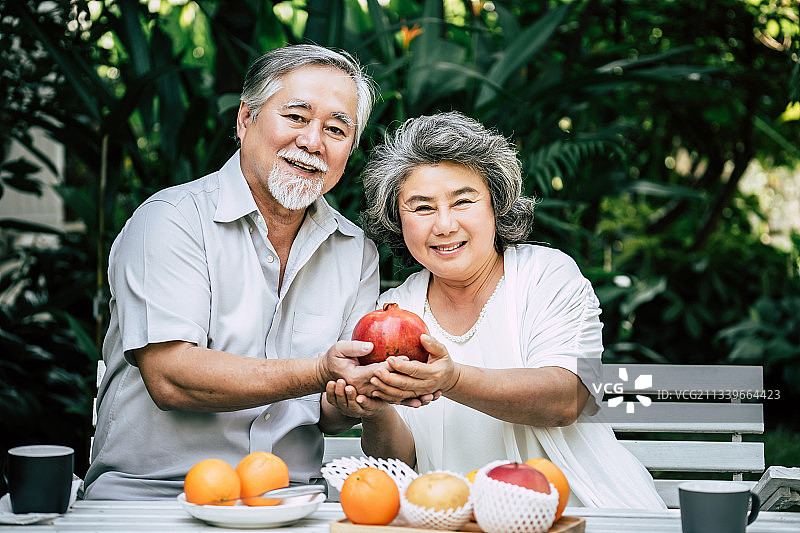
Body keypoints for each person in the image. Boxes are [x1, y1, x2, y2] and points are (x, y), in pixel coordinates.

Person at [84, 44, 423, 500]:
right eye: (296, 117)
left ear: (350, 150)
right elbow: (170, 376)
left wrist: (363, 394)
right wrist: (319, 370)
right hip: (153, 496)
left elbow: (329, 408)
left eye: (336, 129)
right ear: (245, 119)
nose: (312, 141)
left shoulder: (354, 251)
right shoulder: (169, 220)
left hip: (292, 499)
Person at [325, 111, 666, 509]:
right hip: (457, 517)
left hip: (582, 512)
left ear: (495, 204)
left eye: (463, 201)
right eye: (421, 208)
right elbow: (400, 461)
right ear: (397, 221)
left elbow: (571, 398)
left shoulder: (551, 274)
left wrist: (451, 379)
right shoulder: (391, 311)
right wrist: (374, 409)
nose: (445, 224)